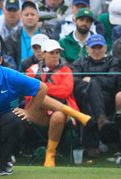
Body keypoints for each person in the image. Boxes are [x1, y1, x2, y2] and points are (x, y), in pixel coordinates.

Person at [0, 43, 92, 175]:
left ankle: (4, 161)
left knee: (17, 119)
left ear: (0, 60)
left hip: (4, 118)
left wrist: (29, 112)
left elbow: (41, 88)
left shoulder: (11, 76)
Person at [25, 39, 80, 167]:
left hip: (59, 113)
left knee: (58, 115)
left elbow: (65, 91)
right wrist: (45, 90)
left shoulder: (66, 69)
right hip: (38, 113)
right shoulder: (32, 69)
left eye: (57, 52)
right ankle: (72, 112)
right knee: (40, 98)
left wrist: (42, 88)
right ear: (43, 54)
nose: (55, 55)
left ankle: (50, 154)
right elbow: (27, 93)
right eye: (51, 53)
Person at [72, 34, 119, 158]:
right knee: (90, 92)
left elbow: (112, 82)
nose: (97, 51)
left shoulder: (113, 61)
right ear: (87, 49)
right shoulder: (79, 62)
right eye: (94, 48)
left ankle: (91, 146)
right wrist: (93, 83)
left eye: (99, 48)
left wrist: (90, 80)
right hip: (82, 96)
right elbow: (74, 82)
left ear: (105, 48)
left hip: (105, 99)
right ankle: (101, 120)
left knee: (92, 90)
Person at [5, 1, 47, 69]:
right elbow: (9, 63)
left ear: (38, 17)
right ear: (21, 17)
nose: (29, 17)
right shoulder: (11, 38)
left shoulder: (47, 36)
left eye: (32, 14)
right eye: (26, 15)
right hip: (19, 77)